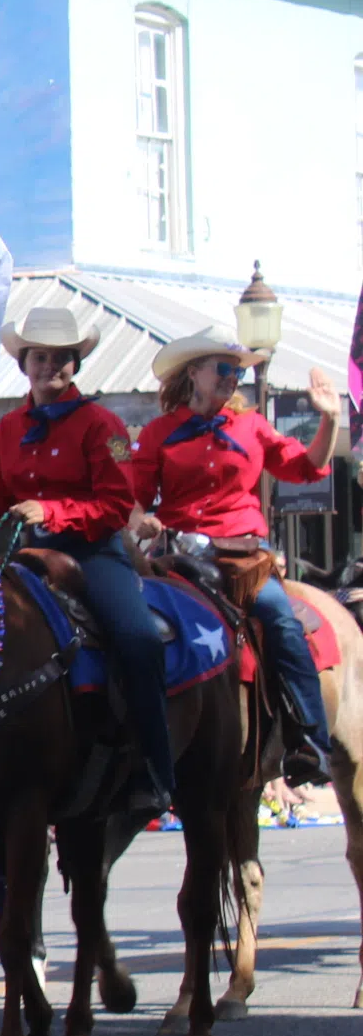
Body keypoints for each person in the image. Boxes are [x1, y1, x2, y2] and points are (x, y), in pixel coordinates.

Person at [0, 306, 175, 815]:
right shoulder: (7, 430)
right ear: (25, 364)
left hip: (92, 553)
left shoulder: (101, 425)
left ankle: (155, 769)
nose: (50, 368)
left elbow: (113, 506)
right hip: (19, 555)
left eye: (61, 359)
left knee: (138, 639)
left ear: (75, 365)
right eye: (40, 358)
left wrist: (52, 510)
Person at [128, 327, 343, 786]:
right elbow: (135, 500)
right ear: (194, 374)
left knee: (280, 621)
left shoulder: (253, 426)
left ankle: (309, 740)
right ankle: (141, 743)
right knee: (139, 624)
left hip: (242, 558)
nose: (232, 378)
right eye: (223, 368)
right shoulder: (158, 433)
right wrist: (140, 518)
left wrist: (329, 422)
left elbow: (307, 468)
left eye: (238, 371)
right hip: (180, 558)